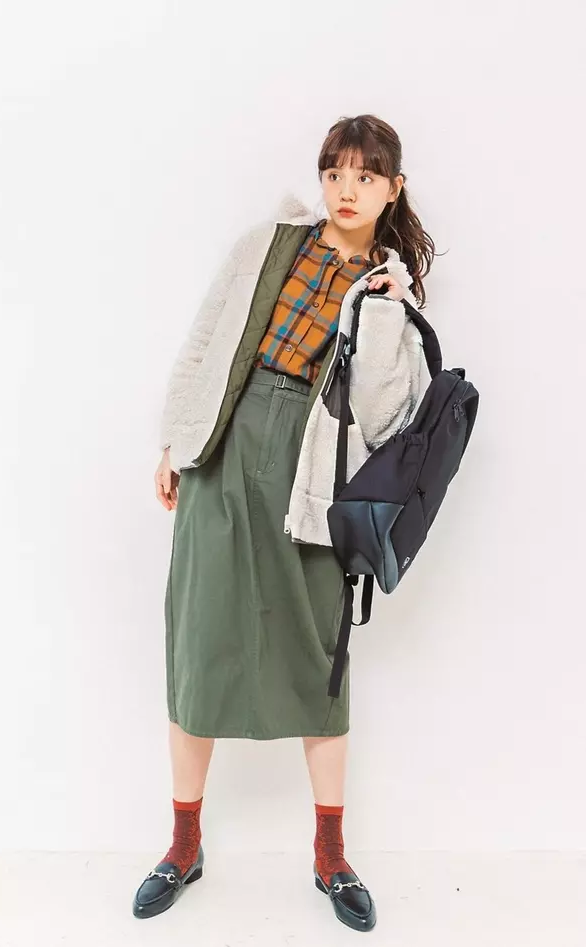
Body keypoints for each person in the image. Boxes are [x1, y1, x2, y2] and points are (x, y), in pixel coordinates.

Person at [132, 113, 436, 932]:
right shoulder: (269, 243)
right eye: (336, 172)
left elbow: (385, 419)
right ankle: (183, 843)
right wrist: (174, 439)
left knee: (318, 658)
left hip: (314, 475)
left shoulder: (392, 295)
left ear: (393, 188)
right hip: (225, 448)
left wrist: (385, 311)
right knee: (199, 645)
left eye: (365, 176)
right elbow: (206, 338)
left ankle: (331, 855)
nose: (347, 190)